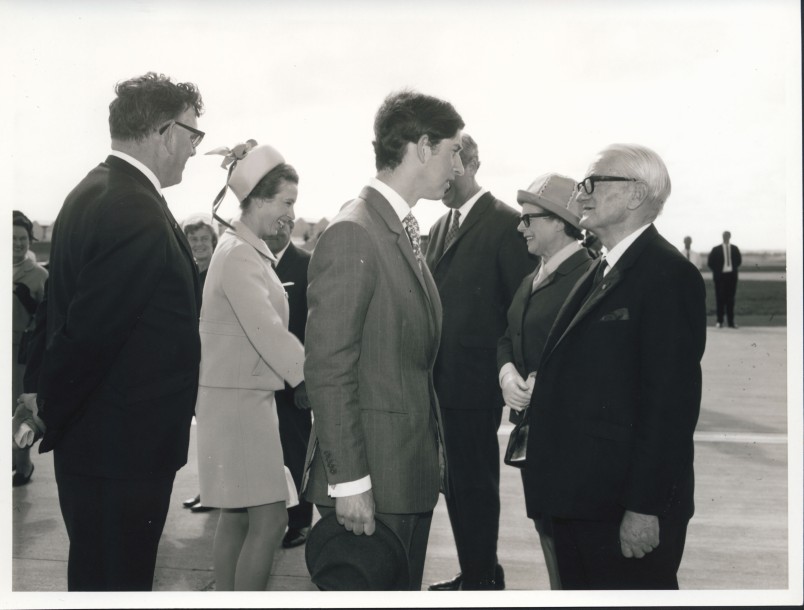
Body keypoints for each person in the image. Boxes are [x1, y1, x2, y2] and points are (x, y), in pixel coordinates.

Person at [33, 72, 204, 591]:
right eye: (193, 135)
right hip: (123, 452)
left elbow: (59, 313)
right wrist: (47, 412)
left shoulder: (92, 190)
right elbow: (88, 335)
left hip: (101, 445)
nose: (194, 150)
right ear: (162, 131)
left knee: (96, 575)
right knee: (118, 581)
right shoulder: (136, 209)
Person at [521, 144, 706, 589]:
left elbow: (670, 408)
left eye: (592, 183)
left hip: (621, 508)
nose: (581, 195)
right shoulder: (601, 267)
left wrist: (645, 507)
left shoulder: (668, 275)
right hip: (580, 502)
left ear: (635, 195)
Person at [301, 90, 463, 591]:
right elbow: (329, 367)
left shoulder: (394, 228)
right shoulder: (356, 232)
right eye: (452, 150)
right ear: (421, 146)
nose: (458, 166)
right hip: (372, 488)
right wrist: (348, 483)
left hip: (402, 480)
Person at [195, 143, 308, 591]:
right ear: (259, 199)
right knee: (271, 519)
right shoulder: (241, 255)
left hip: (237, 401)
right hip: (242, 407)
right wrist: (310, 378)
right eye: (286, 202)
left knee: (238, 517)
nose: (291, 213)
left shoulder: (239, 248)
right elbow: (267, 332)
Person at [424, 134, 535, 591]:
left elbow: (521, 311)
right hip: (440, 384)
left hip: (475, 385)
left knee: (474, 485)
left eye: (452, 166)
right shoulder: (437, 228)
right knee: (458, 485)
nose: (443, 179)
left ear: (471, 164)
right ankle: (480, 569)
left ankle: (481, 582)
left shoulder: (507, 224)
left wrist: (514, 381)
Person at [497, 173, 594, 589]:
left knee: (572, 551)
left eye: (528, 218)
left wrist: (548, 381)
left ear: (558, 221)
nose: (521, 227)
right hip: (536, 439)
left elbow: (595, 360)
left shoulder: (589, 279)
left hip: (570, 445)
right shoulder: (532, 278)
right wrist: (506, 373)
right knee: (549, 537)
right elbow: (507, 336)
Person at [263, 220, 315, 549]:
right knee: (266, 454)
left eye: (284, 223)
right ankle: (274, 517)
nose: (276, 229)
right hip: (261, 379)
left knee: (296, 453)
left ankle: (300, 523)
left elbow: (314, 327)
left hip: (293, 382)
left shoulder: (308, 264)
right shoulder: (255, 262)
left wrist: (305, 381)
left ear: (292, 226)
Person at [12, 210, 48, 486]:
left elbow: (47, 319)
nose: (17, 243)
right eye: (11, 238)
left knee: (19, 409)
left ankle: (22, 465)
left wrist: (30, 303)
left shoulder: (39, 275)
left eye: (23, 238)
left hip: (21, 354)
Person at [707, 231, 742, 328]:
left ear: (730, 237)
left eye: (727, 236)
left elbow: (738, 261)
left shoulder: (734, 249)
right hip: (720, 278)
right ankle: (719, 321)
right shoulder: (716, 249)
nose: (726, 237)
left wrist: (732, 268)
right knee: (720, 299)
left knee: (731, 300)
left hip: (731, 277)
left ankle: (731, 322)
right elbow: (710, 263)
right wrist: (718, 271)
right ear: (722, 237)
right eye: (724, 236)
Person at [183, 217, 218, 287]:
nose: (199, 244)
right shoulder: (184, 273)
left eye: (204, 239)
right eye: (194, 239)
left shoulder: (219, 271)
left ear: (213, 242)